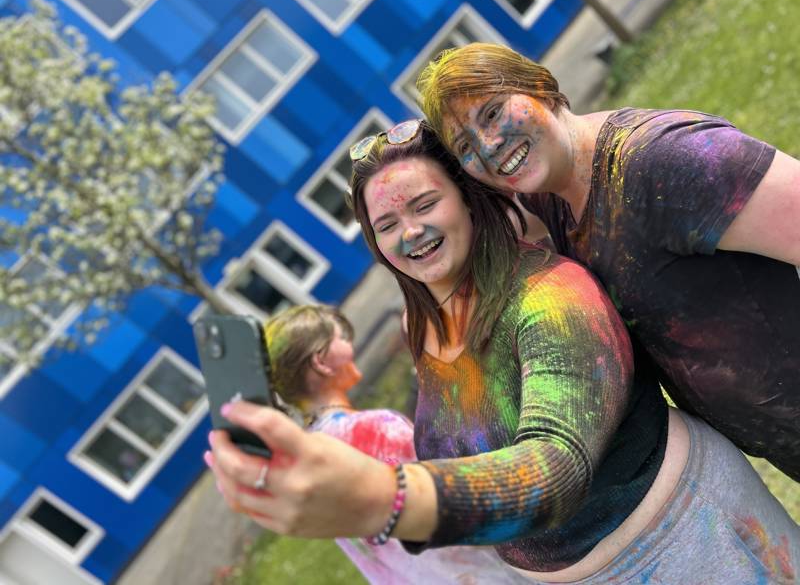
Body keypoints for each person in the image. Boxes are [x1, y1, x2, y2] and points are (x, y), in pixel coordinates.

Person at [207, 120, 799, 584]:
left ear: (468, 200)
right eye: (386, 224)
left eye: (423, 205)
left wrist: (382, 499)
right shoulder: (433, 325)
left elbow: (554, 468)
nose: (409, 233)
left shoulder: (552, 297)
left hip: (691, 549)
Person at [416, 42, 800, 482]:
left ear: (539, 86)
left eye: (492, 112)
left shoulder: (662, 161)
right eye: (466, 146)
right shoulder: (553, 198)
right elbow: (478, 233)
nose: (488, 147)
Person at [206, 303, 526, 584]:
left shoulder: (309, 460)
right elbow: (465, 499)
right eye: (340, 338)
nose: (350, 344)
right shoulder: (375, 429)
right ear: (321, 361)